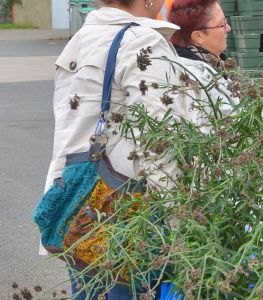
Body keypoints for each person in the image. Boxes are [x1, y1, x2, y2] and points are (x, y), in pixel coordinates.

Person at [44, 0, 196, 298]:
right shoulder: (141, 41)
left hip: (78, 201)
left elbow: (68, 125)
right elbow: (159, 141)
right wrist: (181, 225)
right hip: (126, 208)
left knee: (89, 289)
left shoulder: (83, 38)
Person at [168, 0, 239, 118]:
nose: (229, 28)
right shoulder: (193, 79)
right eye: (222, 25)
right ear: (198, 36)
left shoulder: (213, 66)